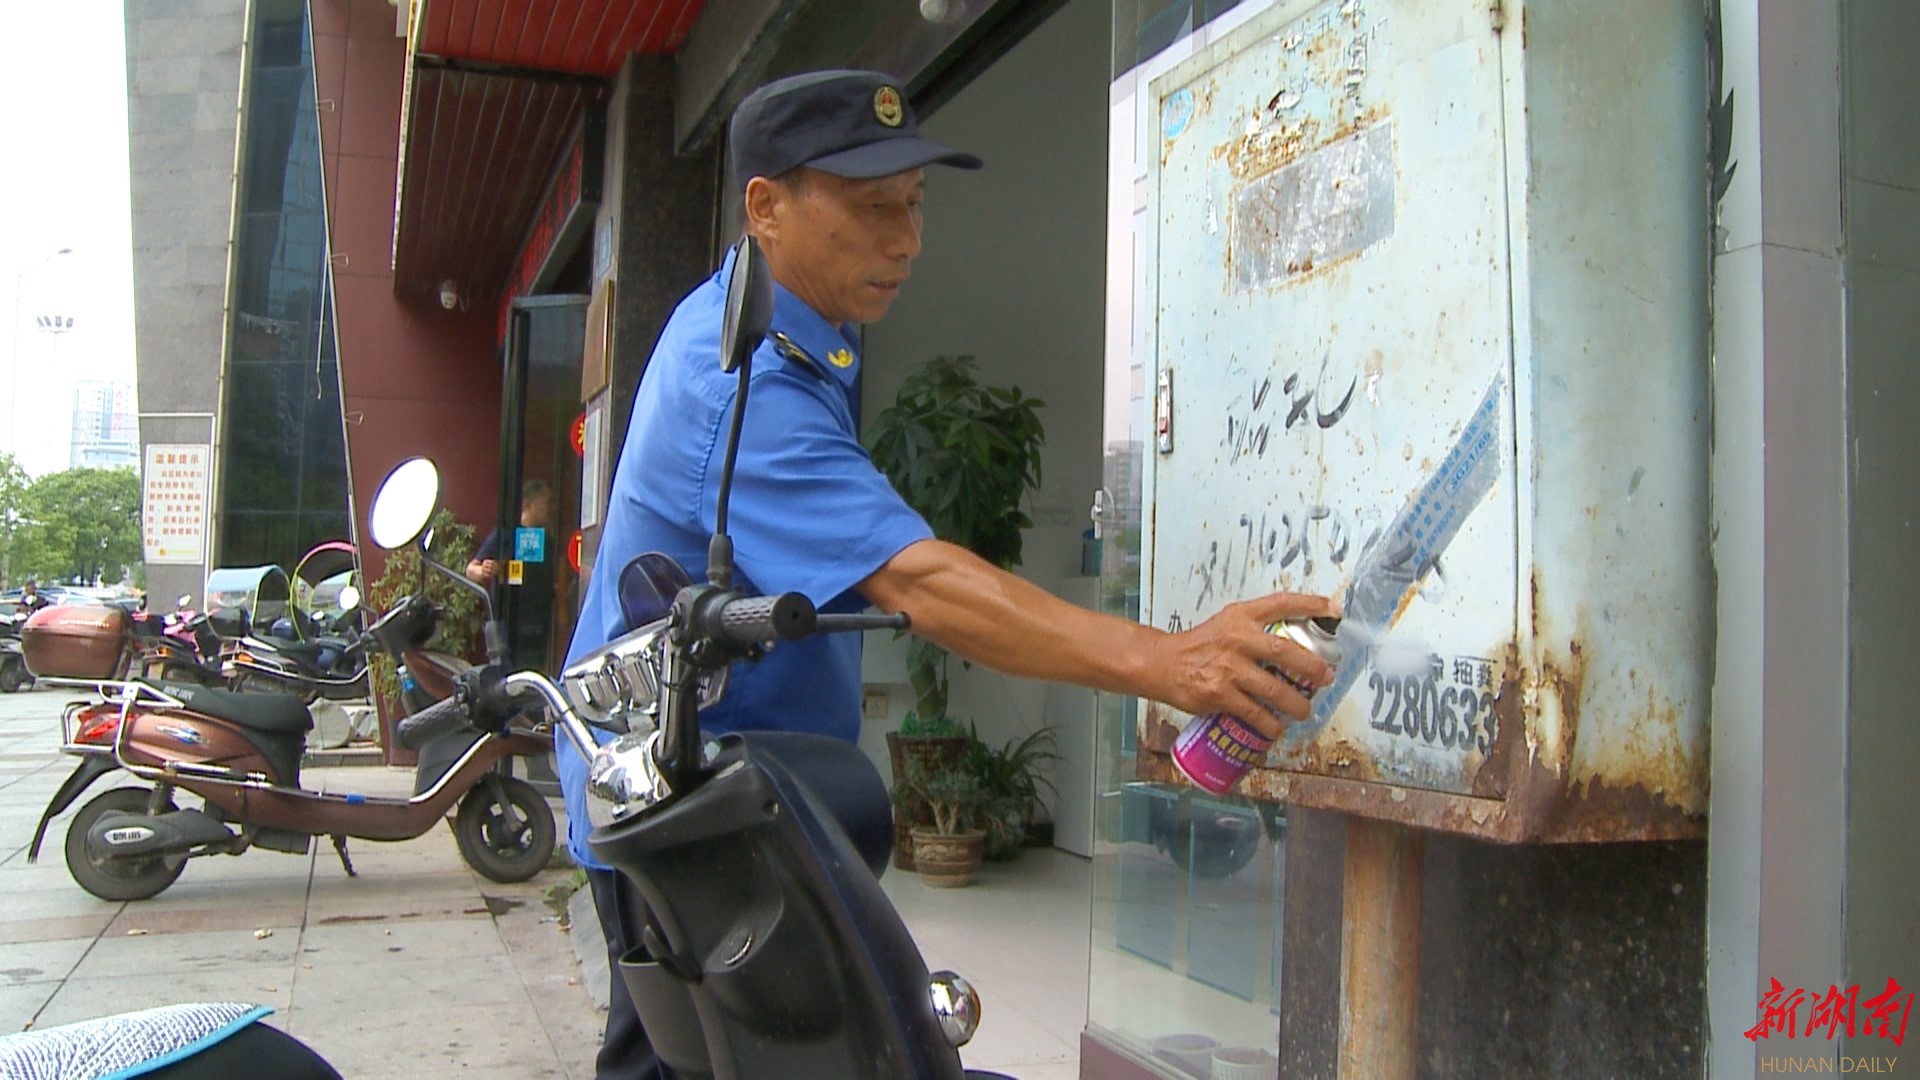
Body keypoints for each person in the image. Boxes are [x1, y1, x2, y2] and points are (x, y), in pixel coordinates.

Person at [560, 69, 1339, 1080]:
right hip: (688, 805)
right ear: (766, 206)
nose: (908, 240)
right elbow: (920, 583)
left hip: (729, 788)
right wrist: (1171, 663)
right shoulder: (742, 384)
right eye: (872, 207)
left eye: (916, 204)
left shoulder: (778, 319)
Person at [465, 479, 555, 586]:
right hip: (510, 596)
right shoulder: (507, 533)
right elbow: (470, 570)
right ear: (527, 505)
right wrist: (484, 570)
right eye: (548, 502)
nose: (553, 508)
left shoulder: (546, 540)